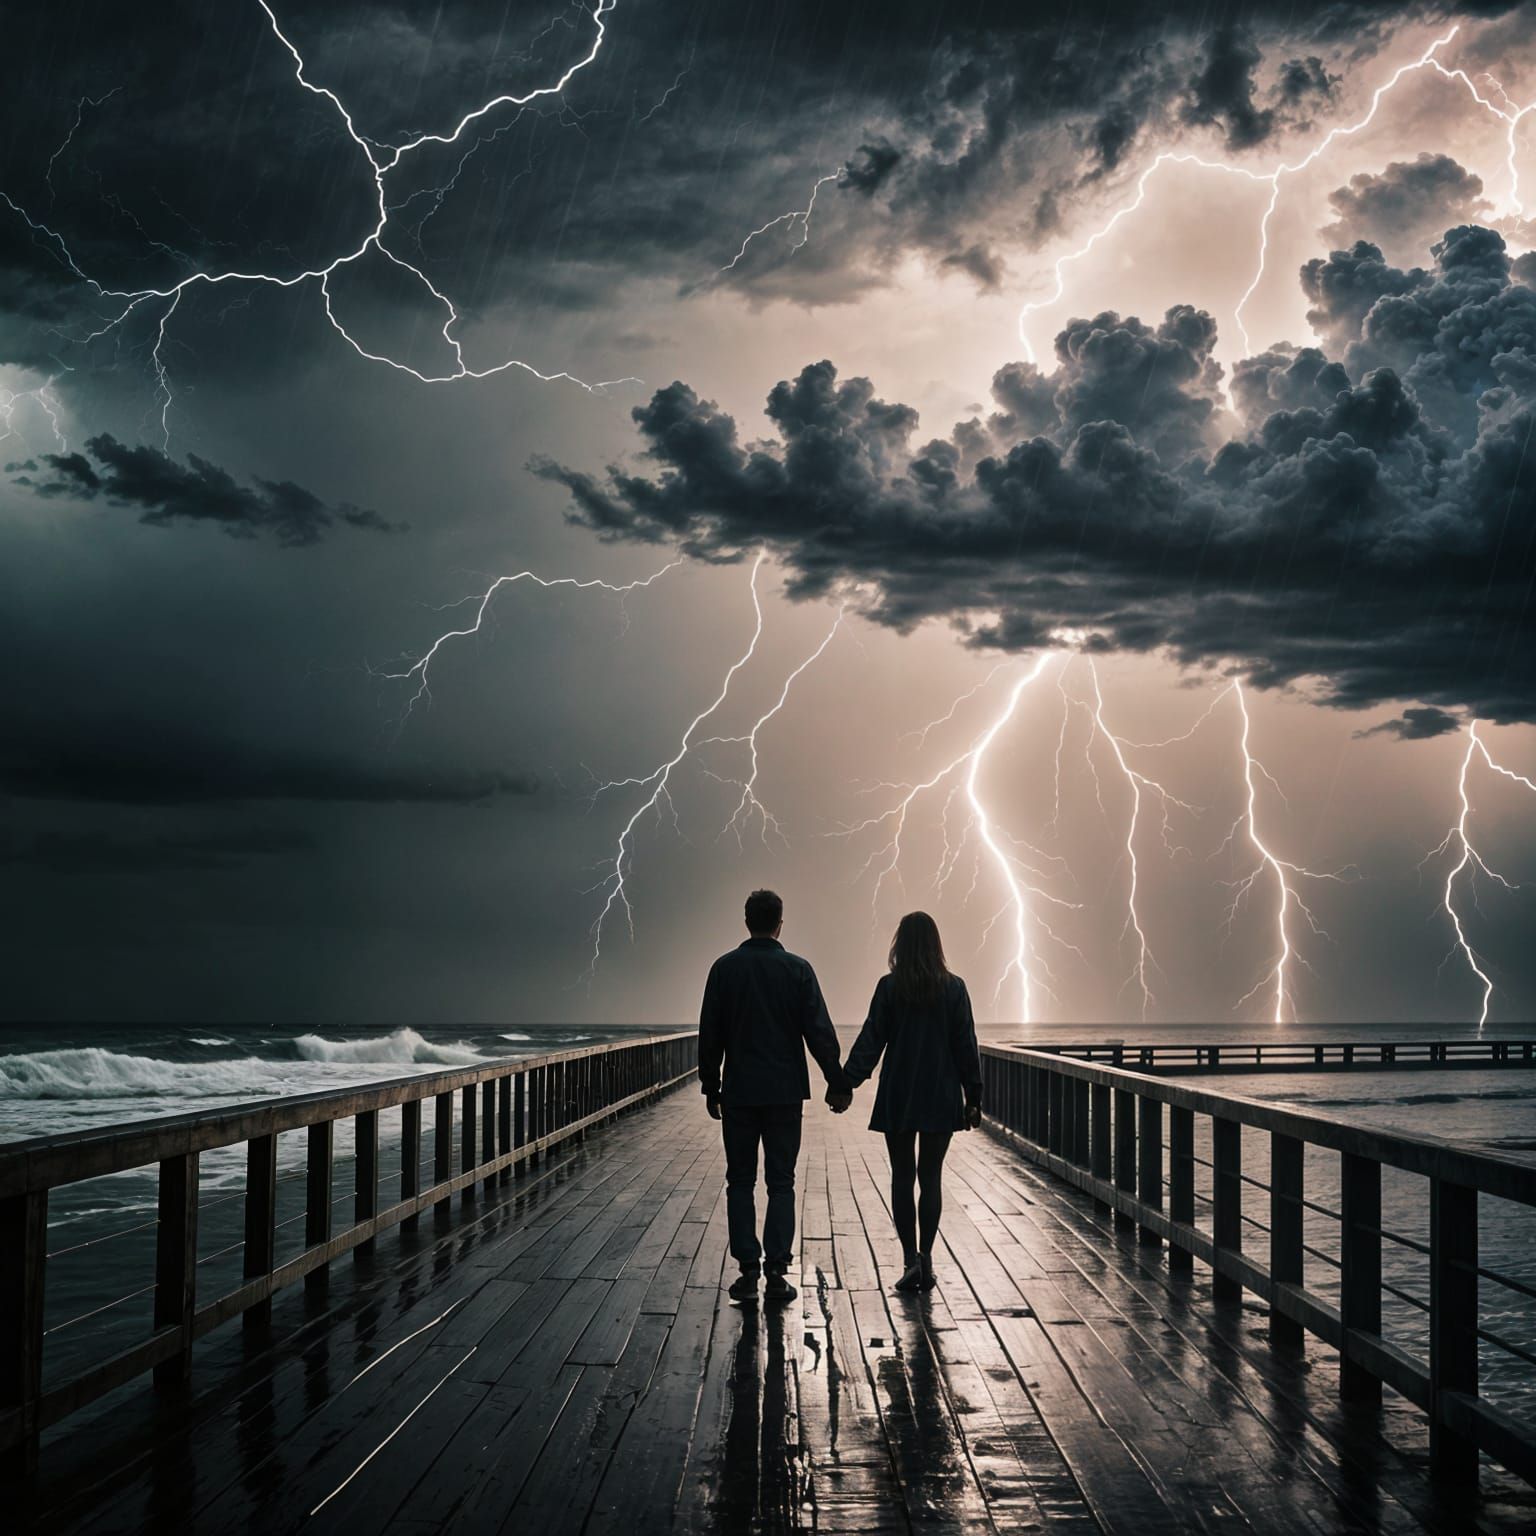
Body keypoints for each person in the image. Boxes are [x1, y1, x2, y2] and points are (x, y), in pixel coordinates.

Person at [699, 888, 852, 1304]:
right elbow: (818, 1032)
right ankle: (777, 1272)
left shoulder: (723, 969)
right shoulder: (797, 970)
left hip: (740, 1092)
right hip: (785, 1093)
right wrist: (837, 1081)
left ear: (747, 921)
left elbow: (710, 1034)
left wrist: (710, 1084)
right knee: (781, 1181)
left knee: (740, 1181)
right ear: (780, 922)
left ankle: (748, 1270)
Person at [837, 911, 982, 1292]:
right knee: (930, 1177)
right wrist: (974, 1095)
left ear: (900, 944)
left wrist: (846, 1082)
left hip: (899, 1093)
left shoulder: (889, 988)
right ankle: (928, 1259)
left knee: (902, 1177)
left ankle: (908, 1260)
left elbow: (872, 1039)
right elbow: (966, 1045)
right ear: (936, 945)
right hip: (941, 1091)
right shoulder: (954, 988)